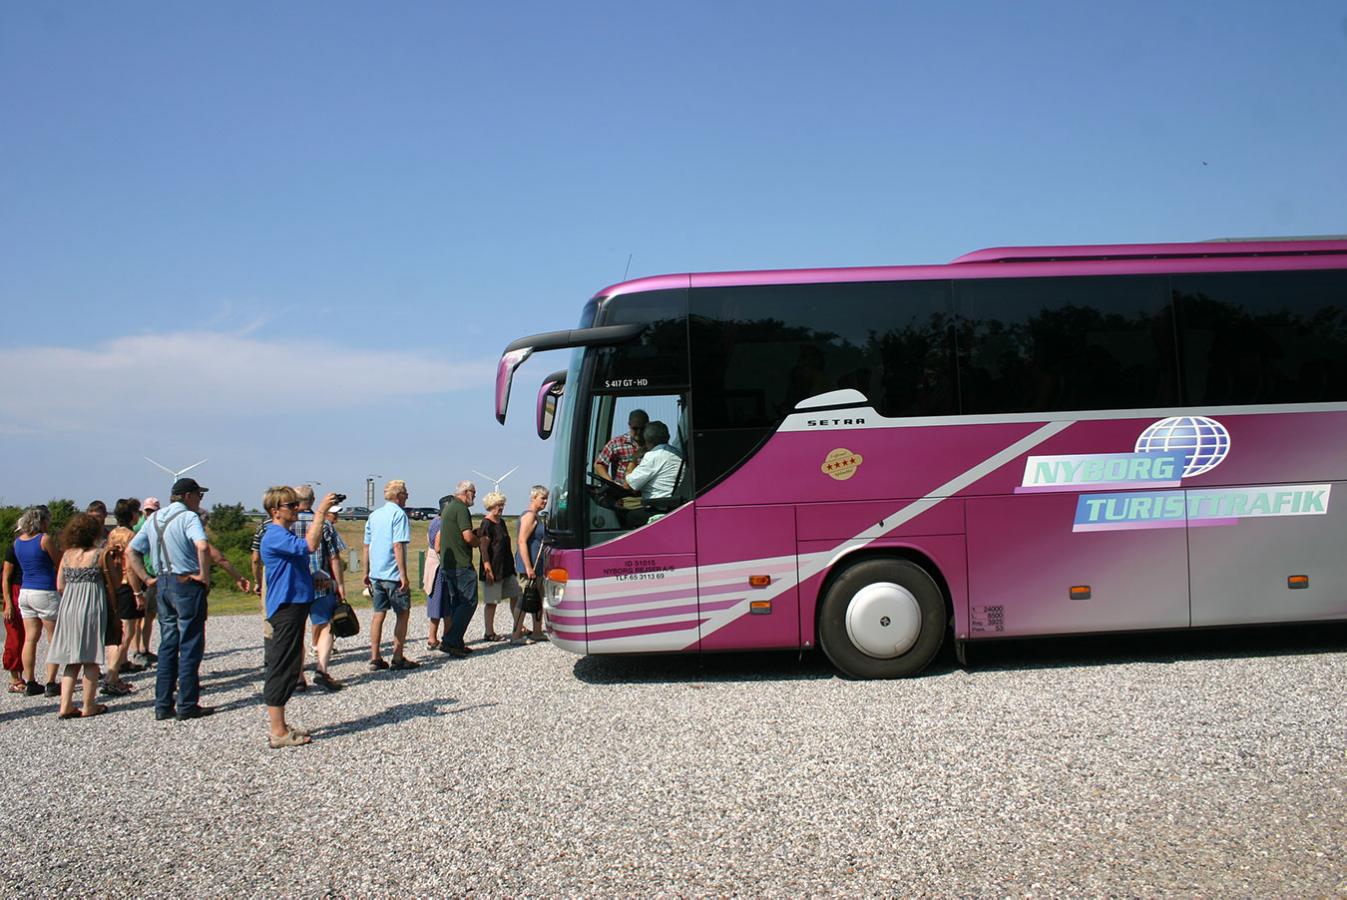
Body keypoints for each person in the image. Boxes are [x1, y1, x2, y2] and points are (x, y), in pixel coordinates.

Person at [128, 478, 217, 722]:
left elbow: (131, 551)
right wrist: (203, 576)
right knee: (190, 643)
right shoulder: (189, 517)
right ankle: (187, 703)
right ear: (188, 495)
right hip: (185, 583)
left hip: (163, 583)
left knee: (168, 644)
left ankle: (163, 704)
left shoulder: (154, 518)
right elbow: (201, 545)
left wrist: (146, 578)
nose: (200, 499)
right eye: (199, 494)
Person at [259, 486, 339, 748]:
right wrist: (321, 513)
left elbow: (292, 565)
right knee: (282, 664)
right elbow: (310, 545)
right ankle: (278, 731)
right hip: (285, 608)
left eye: (296, 504)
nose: (296, 509)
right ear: (275, 511)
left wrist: (311, 580)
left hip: (295, 603)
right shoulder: (274, 535)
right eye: (290, 506)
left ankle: (280, 726)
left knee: (290, 662)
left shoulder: (283, 533)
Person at [48, 513, 114, 718]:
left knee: (71, 659)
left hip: (69, 606)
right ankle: (89, 704)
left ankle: (65, 705)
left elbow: (60, 585)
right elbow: (114, 580)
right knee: (91, 658)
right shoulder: (100, 554)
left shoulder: (67, 555)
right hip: (93, 605)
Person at [291, 484, 344, 691]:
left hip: (295, 585)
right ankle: (321, 669)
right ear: (313, 501)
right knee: (325, 626)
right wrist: (339, 584)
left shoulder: (288, 524)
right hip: (321, 583)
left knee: (296, 629)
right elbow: (334, 557)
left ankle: (298, 676)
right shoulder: (324, 524)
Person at [362, 479, 419, 671]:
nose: (407, 496)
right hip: (392, 574)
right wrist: (403, 575)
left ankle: (375, 656)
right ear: (398, 495)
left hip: (376, 574)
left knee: (378, 614)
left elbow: (366, 545)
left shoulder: (374, 515)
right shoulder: (399, 515)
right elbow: (398, 545)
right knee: (402, 613)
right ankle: (397, 655)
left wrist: (365, 572)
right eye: (405, 493)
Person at [13, 505, 62, 696]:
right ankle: (51, 682)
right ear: (41, 521)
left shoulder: (18, 542)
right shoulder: (44, 539)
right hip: (45, 590)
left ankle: (31, 681)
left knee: (30, 638)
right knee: (53, 639)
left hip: (26, 591)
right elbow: (58, 561)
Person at [435, 480, 480, 658]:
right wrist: (478, 542)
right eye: (474, 493)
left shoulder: (449, 508)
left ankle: (455, 641)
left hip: (449, 565)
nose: (474, 497)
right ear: (466, 492)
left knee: (456, 604)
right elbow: (467, 536)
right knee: (469, 602)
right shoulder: (461, 509)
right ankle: (451, 640)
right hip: (461, 564)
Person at [98, 527, 138, 697]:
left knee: (117, 636)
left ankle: (113, 674)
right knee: (125, 634)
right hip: (126, 589)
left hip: (112, 592)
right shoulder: (125, 554)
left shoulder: (107, 554)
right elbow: (130, 570)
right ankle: (111, 677)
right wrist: (138, 593)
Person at [476, 491, 518, 642]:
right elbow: (484, 549)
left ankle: (518, 626)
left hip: (506, 567)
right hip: (493, 568)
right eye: (498, 505)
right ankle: (489, 632)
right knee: (492, 602)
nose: (501, 508)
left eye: (502, 505)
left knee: (516, 595)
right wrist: (488, 570)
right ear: (491, 506)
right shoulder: (486, 524)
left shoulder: (502, 522)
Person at [512, 485, 549, 643]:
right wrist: (527, 566)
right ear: (533, 498)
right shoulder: (529, 516)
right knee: (524, 598)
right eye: (542, 498)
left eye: (546, 498)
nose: (545, 501)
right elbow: (522, 541)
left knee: (537, 598)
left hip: (538, 565)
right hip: (530, 566)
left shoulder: (537, 516)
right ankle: (516, 635)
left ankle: (537, 631)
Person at [131, 497, 160, 667]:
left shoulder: (148, 526)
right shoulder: (140, 528)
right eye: (148, 511)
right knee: (141, 616)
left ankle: (144, 647)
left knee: (148, 615)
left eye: (152, 511)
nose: (150, 514)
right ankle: (138, 649)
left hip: (150, 573)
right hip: (144, 574)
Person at [625, 420, 684, 502]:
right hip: (674, 502)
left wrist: (633, 459)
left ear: (647, 440)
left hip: (657, 505)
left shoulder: (653, 456)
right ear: (668, 436)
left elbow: (628, 485)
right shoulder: (678, 453)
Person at [593, 409, 648, 486]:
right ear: (629, 425)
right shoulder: (617, 443)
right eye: (635, 428)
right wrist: (611, 484)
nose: (639, 432)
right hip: (622, 492)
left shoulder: (653, 444)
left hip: (647, 493)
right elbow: (599, 464)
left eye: (642, 429)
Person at [422, 496, 450, 649]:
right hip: (439, 566)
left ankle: (441, 635)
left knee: (441, 602)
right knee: (439, 601)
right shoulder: (440, 523)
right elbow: (438, 545)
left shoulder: (434, 521)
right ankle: (435, 637)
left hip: (434, 563)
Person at [2, 535, 25, 692]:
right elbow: (5, 578)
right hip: (15, 592)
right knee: (14, 636)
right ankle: (14, 678)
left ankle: (23, 675)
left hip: (29, 589)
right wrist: (8, 603)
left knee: (26, 638)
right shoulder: (14, 548)